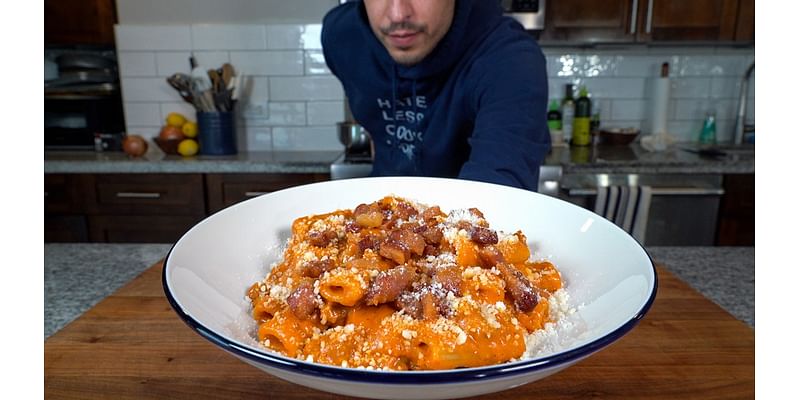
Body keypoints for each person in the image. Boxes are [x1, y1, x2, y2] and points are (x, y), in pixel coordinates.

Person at [321, 0, 550, 191]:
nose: (398, 14)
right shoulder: (341, 38)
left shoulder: (512, 59)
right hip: (383, 211)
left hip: (463, 220)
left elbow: (498, 194)